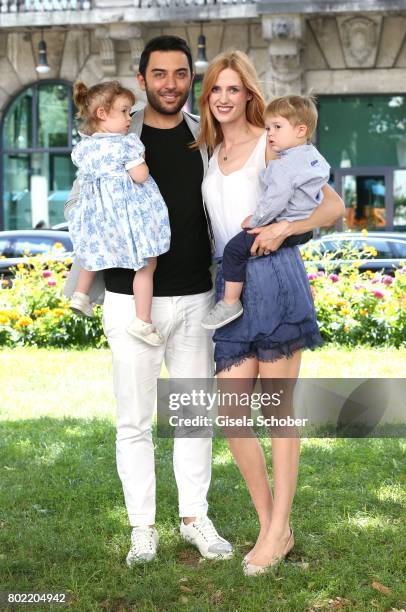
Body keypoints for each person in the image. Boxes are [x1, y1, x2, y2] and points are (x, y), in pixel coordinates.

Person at [64, 36, 233, 566]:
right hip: (125, 298)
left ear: (191, 79)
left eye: (181, 74)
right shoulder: (115, 136)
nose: (170, 84)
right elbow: (81, 206)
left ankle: (194, 518)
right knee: (134, 420)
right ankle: (143, 527)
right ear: (142, 81)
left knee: (193, 416)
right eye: (159, 74)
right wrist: (81, 282)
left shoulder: (204, 137)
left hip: (197, 298)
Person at [196, 50, 345, 576]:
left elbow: (332, 207)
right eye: (216, 88)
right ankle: (271, 527)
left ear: (249, 94)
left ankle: (277, 529)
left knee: (277, 412)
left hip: (275, 276)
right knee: (234, 415)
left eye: (234, 89)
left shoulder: (274, 142)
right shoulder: (210, 152)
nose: (223, 98)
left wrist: (284, 229)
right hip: (231, 284)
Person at [201, 95, 330, 330]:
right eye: (268, 127)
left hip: (277, 230)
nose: (270, 133)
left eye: (277, 127)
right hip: (296, 228)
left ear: (301, 130)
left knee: (234, 249)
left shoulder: (283, 162)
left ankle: (230, 302)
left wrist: (256, 219)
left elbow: (274, 200)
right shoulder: (313, 157)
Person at [68, 80, 171, 346]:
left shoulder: (85, 148)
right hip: (128, 220)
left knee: (92, 252)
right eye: (124, 111)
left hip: (99, 221)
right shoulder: (127, 145)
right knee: (147, 265)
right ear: (102, 114)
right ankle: (143, 320)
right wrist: (142, 159)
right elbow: (140, 176)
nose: (129, 118)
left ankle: (81, 294)